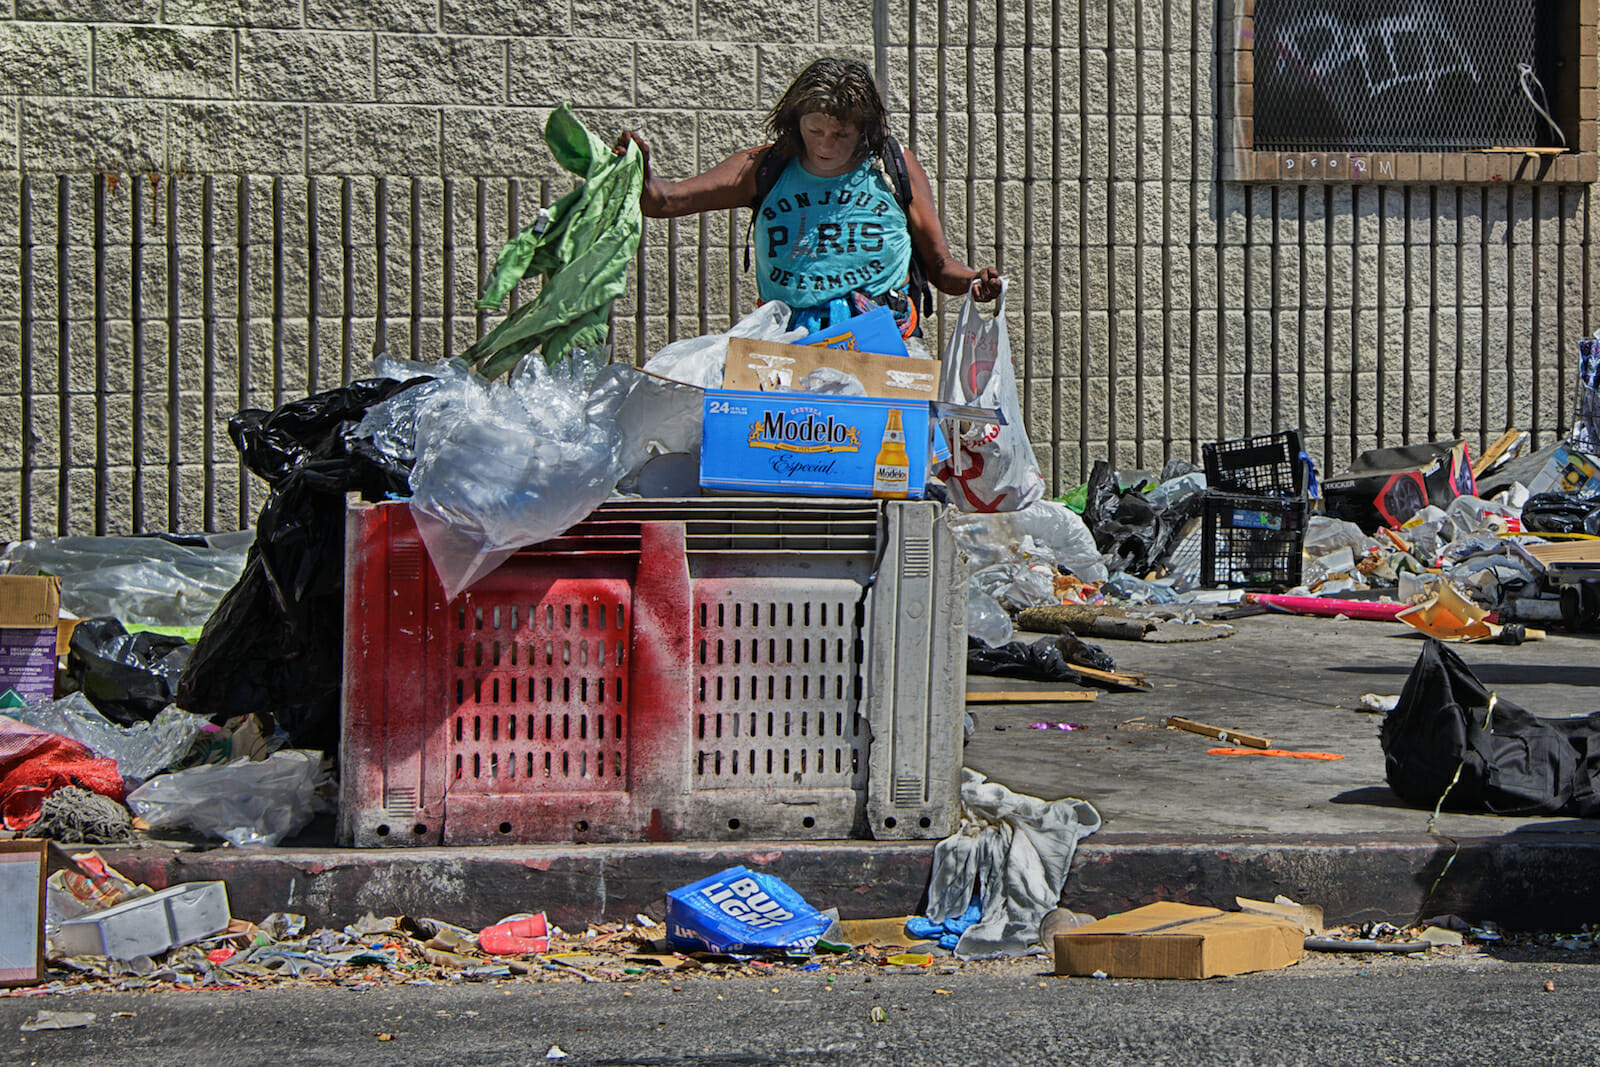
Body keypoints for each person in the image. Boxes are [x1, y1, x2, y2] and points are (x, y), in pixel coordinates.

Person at [614, 57, 1000, 338]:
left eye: (841, 135)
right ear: (795, 122)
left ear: (864, 130)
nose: (826, 146)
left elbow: (940, 265)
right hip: (786, 342)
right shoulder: (764, 167)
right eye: (815, 131)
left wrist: (973, 280)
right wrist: (638, 171)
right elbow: (664, 201)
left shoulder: (892, 166)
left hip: (882, 340)